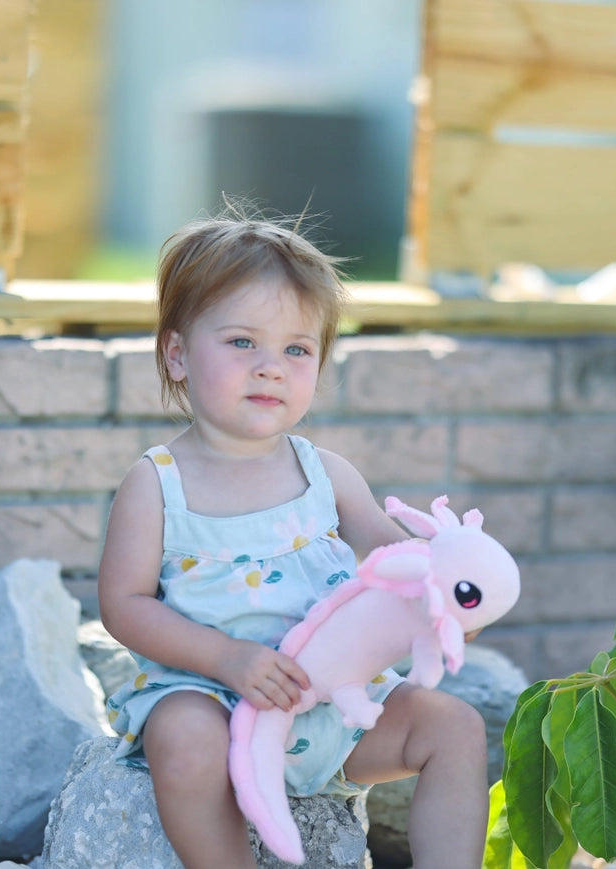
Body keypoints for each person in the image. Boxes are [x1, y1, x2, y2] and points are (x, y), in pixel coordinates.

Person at [98, 203, 489, 869]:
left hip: (331, 704)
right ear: (177, 353)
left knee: (454, 725)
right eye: (242, 342)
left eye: (296, 349)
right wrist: (226, 658)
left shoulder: (324, 473)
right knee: (182, 740)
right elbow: (124, 605)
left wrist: (443, 599)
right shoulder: (157, 482)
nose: (270, 366)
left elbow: (395, 555)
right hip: (211, 693)